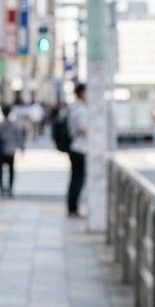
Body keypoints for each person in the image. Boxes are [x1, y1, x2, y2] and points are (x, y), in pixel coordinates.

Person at [66, 83, 90, 218]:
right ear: (81, 93)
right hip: (80, 149)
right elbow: (83, 128)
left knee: (76, 179)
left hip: (77, 148)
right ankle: (73, 208)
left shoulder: (75, 108)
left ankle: (73, 207)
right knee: (77, 180)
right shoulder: (80, 110)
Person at [0, 104, 23, 198]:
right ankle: (10, 189)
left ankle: (1, 189)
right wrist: (21, 148)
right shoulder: (14, 125)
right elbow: (19, 137)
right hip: (10, 151)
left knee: (0, 170)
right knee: (11, 170)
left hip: (0, 151)